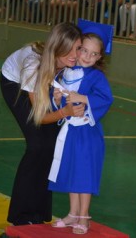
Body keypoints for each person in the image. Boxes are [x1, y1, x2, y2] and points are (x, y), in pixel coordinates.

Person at [1, 22, 85, 226]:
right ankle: (20, 216)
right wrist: (64, 112)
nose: (76, 54)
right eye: (70, 49)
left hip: (46, 82)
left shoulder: (68, 63)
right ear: (57, 48)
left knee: (52, 145)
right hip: (16, 84)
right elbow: (39, 117)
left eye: (78, 48)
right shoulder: (33, 66)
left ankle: (39, 214)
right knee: (37, 145)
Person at [47, 19, 114, 235]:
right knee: (72, 172)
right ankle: (72, 213)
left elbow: (105, 98)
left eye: (93, 54)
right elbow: (59, 100)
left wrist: (83, 98)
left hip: (87, 133)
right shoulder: (66, 71)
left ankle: (84, 216)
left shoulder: (97, 77)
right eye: (83, 50)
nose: (86, 56)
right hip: (71, 132)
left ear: (99, 57)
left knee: (84, 174)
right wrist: (57, 97)